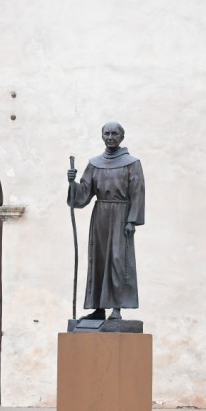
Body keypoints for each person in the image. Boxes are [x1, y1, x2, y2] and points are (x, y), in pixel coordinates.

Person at [67, 122, 145, 320]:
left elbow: (137, 193)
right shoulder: (94, 164)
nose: (110, 137)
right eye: (107, 133)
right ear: (102, 136)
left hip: (121, 216)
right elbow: (84, 193)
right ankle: (99, 308)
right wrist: (72, 183)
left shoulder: (132, 163)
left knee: (118, 260)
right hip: (100, 216)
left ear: (121, 137)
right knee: (98, 260)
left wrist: (132, 221)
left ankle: (117, 308)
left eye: (114, 133)